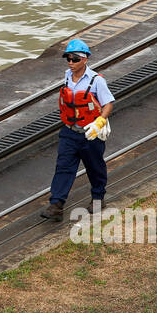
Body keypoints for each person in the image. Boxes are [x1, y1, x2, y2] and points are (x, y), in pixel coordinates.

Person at [41, 38, 115, 221]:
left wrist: (99, 122)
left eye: (74, 59)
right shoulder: (67, 76)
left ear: (85, 59)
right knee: (63, 167)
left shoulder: (97, 81)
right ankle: (56, 205)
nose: (70, 63)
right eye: (68, 58)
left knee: (95, 167)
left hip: (91, 134)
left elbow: (108, 104)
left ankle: (98, 198)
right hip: (69, 131)